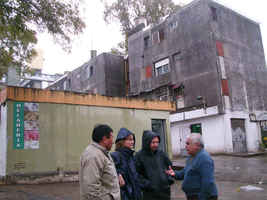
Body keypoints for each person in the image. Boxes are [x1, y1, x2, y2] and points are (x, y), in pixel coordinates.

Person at [166, 133, 218, 200]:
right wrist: (174, 173)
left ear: (197, 145)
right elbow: (185, 172)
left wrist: (201, 198)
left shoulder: (204, 159)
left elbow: (207, 183)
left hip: (203, 197)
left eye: (188, 144)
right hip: (192, 196)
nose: (185, 146)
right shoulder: (191, 156)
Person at [80, 124, 120, 200]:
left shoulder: (102, 153)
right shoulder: (93, 156)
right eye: (112, 138)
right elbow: (91, 188)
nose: (113, 142)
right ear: (104, 139)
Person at [135, 130, 174, 200]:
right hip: (150, 193)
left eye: (157, 142)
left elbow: (169, 168)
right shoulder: (139, 156)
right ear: (147, 142)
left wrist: (169, 179)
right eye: (153, 142)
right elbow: (136, 174)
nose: (156, 145)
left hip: (165, 192)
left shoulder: (161, 154)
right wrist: (148, 185)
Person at [111, 128, 142, 200]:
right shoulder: (115, 156)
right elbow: (112, 174)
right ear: (121, 141)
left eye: (133, 139)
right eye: (129, 140)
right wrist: (118, 174)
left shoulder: (132, 156)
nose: (132, 142)